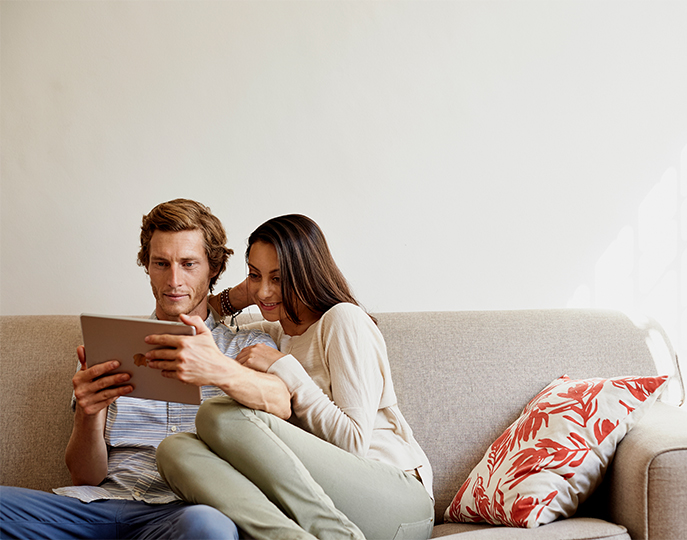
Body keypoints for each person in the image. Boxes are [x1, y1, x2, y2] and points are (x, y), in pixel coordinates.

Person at [0, 199, 291, 540]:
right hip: (102, 505)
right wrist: (88, 415)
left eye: (188, 264)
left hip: (184, 512)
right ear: (147, 266)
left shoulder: (245, 347)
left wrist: (218, 370)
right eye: (161, 263)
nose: (174, 280)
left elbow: (282, 401)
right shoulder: (109, 344)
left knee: (208, 527)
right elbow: (84, 477)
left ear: (213, 267)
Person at [155, 214, 435, 540]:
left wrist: (284, 367)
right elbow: (203, 316)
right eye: (254, 275)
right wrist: (249, 293)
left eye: (278, 278)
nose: (264, 290)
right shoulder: (275, 332)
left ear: (307, 274)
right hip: (331, 505)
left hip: (395, 500)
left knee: (217, 414)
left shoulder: (342, 320)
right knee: (174, 450)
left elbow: (353, 442)